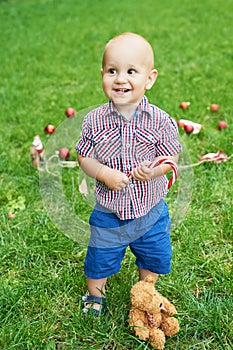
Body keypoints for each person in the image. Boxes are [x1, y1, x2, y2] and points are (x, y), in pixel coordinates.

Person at [75, 32, 182, 316]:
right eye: (113, 71)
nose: (121, 79)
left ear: (150, 78)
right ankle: (95, 295)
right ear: (103, 75)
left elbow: (171, 158)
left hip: (150, 210)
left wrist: (155, 170)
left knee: (153, 255)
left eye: (131, 71)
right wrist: (103, 173)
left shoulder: (160, 121)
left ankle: (145, 291)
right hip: (110, 212)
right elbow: (83, 156)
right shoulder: (94, 120)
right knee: (100, 257)